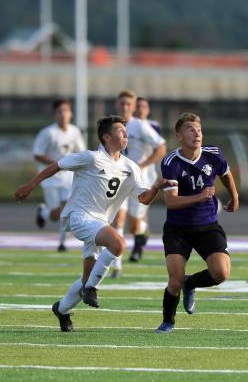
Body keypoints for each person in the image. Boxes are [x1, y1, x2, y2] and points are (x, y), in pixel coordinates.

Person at [15, 116, 171, 332]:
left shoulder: (130, 167)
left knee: (87, 277)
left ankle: (61, 309)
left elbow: (143, 199)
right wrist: (31, 185)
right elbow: (57, 166)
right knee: (118, 244)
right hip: (79, 216)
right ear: (107, 137)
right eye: (120, 131)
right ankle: (92, 289)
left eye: (126, 131)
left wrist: (156, 188)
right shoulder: (91, 158)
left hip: (100, 222)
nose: (126, 135)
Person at [155, 112, 239, 334]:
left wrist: (235, 195)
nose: (197, 133)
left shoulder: (213, 154)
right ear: (179, 136)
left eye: (199, 130)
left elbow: (226, 174)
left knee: (221, 273)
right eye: (191, 130)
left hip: (207, 225)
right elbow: (171, 201)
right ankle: (168, 322)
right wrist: (199, 196)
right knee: (174, 279)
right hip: (178, 229)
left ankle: (190, 284)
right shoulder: (171, 162)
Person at [112, 90, 166, 275]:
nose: (125, 107)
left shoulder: (140, 127)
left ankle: (142, 230)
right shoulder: (111, 126)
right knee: (118, 218)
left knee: (134, 225)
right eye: (122, 103)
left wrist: (142, 165)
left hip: (140, 181)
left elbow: (161, 147)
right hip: (118, 179)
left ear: (133, 107)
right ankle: (116, 265)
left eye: (129, 104)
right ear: (117, 105)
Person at [32, 99, 86, 252]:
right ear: (55, 114)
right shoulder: (48, 133)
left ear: (71, 114)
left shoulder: (75, 131)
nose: (63, 114)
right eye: (60, 111)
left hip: (68, 178)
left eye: (66, 111)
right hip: (50, 178)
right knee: (55, 214)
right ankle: (43, 212)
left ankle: (62, 243)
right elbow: (37, 154)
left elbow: (81, 152)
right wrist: (56, 164)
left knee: (68, 210)